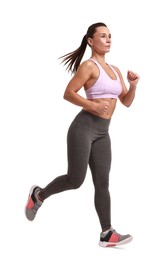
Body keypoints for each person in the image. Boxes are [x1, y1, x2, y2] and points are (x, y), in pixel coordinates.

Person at [25, 22, 139, 247]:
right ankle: (39, 195)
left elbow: (125, 102)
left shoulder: (115, 70)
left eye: (110, 36)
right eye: (103, 36)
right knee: (75, 180)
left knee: (102, 183)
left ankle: (107, 233)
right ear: (91, 41)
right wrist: (92, 106)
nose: (108, 39)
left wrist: (133, 85)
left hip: (103, 133)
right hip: (83, 128)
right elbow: (68, 93)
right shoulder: (89, 66)